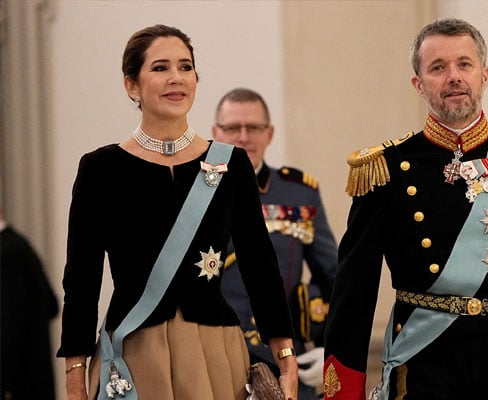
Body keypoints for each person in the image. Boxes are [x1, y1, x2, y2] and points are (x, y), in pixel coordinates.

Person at [322, 18, 488, 400]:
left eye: (464, 64)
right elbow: (353, 291)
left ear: (484, 76)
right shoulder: (386, 169)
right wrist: (343, 392)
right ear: (419, 84)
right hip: (423, 359)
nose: (453, 76)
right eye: (438, 67)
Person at [57, 25, 297, 400]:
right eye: (160, 68)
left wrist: (285, 356)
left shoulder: (231, 163)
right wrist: (75, 375)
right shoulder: (100, 169)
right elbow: (81, 280)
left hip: (214, 351)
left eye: (185, 67)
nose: (176, 78)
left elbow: (260, 266)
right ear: (131, 86)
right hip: (134, 353)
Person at [212, 88, 338, 399]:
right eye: (232, 128)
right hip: (214, 356)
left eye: (253, 128)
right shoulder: (193, 194)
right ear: (215, 134)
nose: (244, 137)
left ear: (269, 134)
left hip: (281, 355)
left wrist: (330, 347)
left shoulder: (298, 193)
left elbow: (334, 277)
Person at [1, 207, 59, 400]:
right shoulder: (20, 245)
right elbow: (52, 306)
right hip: (36, 378)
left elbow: (10, 327)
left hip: (18, 384)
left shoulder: (6, 252)